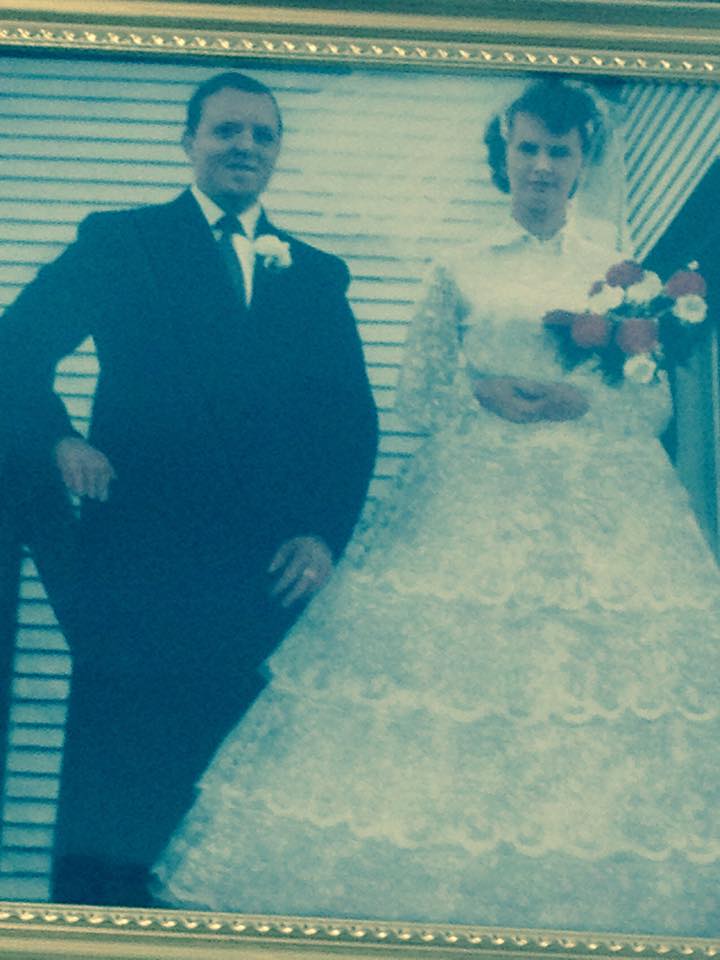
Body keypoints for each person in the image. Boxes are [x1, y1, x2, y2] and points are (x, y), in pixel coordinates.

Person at [152, 79, 720, 935]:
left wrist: (581, 404)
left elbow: (653, 404)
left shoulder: (622, 268)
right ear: (505, 154)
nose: (540, 166)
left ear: (582, 163)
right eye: (526, 148)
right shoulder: (461, 263)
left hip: (597, 515)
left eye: (558, 152)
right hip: (471, 498)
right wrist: (483, 389)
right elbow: (418, 387)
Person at [0, 71, 378, 907]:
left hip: (258, 579)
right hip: (135, 567)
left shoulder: (315, 273)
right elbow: (14, 348)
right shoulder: (120, 241)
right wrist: (61, 437)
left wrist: (321, 535)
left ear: (278, 153)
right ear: (190, 142)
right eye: (226, 131)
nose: (245, 146)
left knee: (230, 788)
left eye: (263, 135)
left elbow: (348, 422)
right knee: (118, 779)